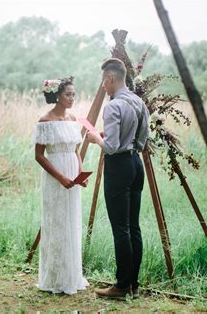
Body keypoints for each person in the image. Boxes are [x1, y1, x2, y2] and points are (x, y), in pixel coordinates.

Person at [87, 58, 149, 300]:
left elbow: (111, 147)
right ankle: (133, 283)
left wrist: (95, 139)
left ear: (110, 79)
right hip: (136, 163)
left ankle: (121, 285)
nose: (103, 86)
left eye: (104, 81)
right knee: (133, 225)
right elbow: (143, 138)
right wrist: (121, 142)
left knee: (120, 228)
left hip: (118, 166)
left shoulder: (112, 106)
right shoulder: (138, 102)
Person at [33, 76, 89, 295]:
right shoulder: (45, 121)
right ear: (57, 95)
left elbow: (75, 150)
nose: (72, 98)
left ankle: (72, 276)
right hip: (56, 176)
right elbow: (38, 155)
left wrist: (80, 173)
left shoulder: (73, 118)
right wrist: (60, 177)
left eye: (74, 94)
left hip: (72, 174)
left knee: (72, 221)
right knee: (56, 222)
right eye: (68, 94)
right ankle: (55, 278)